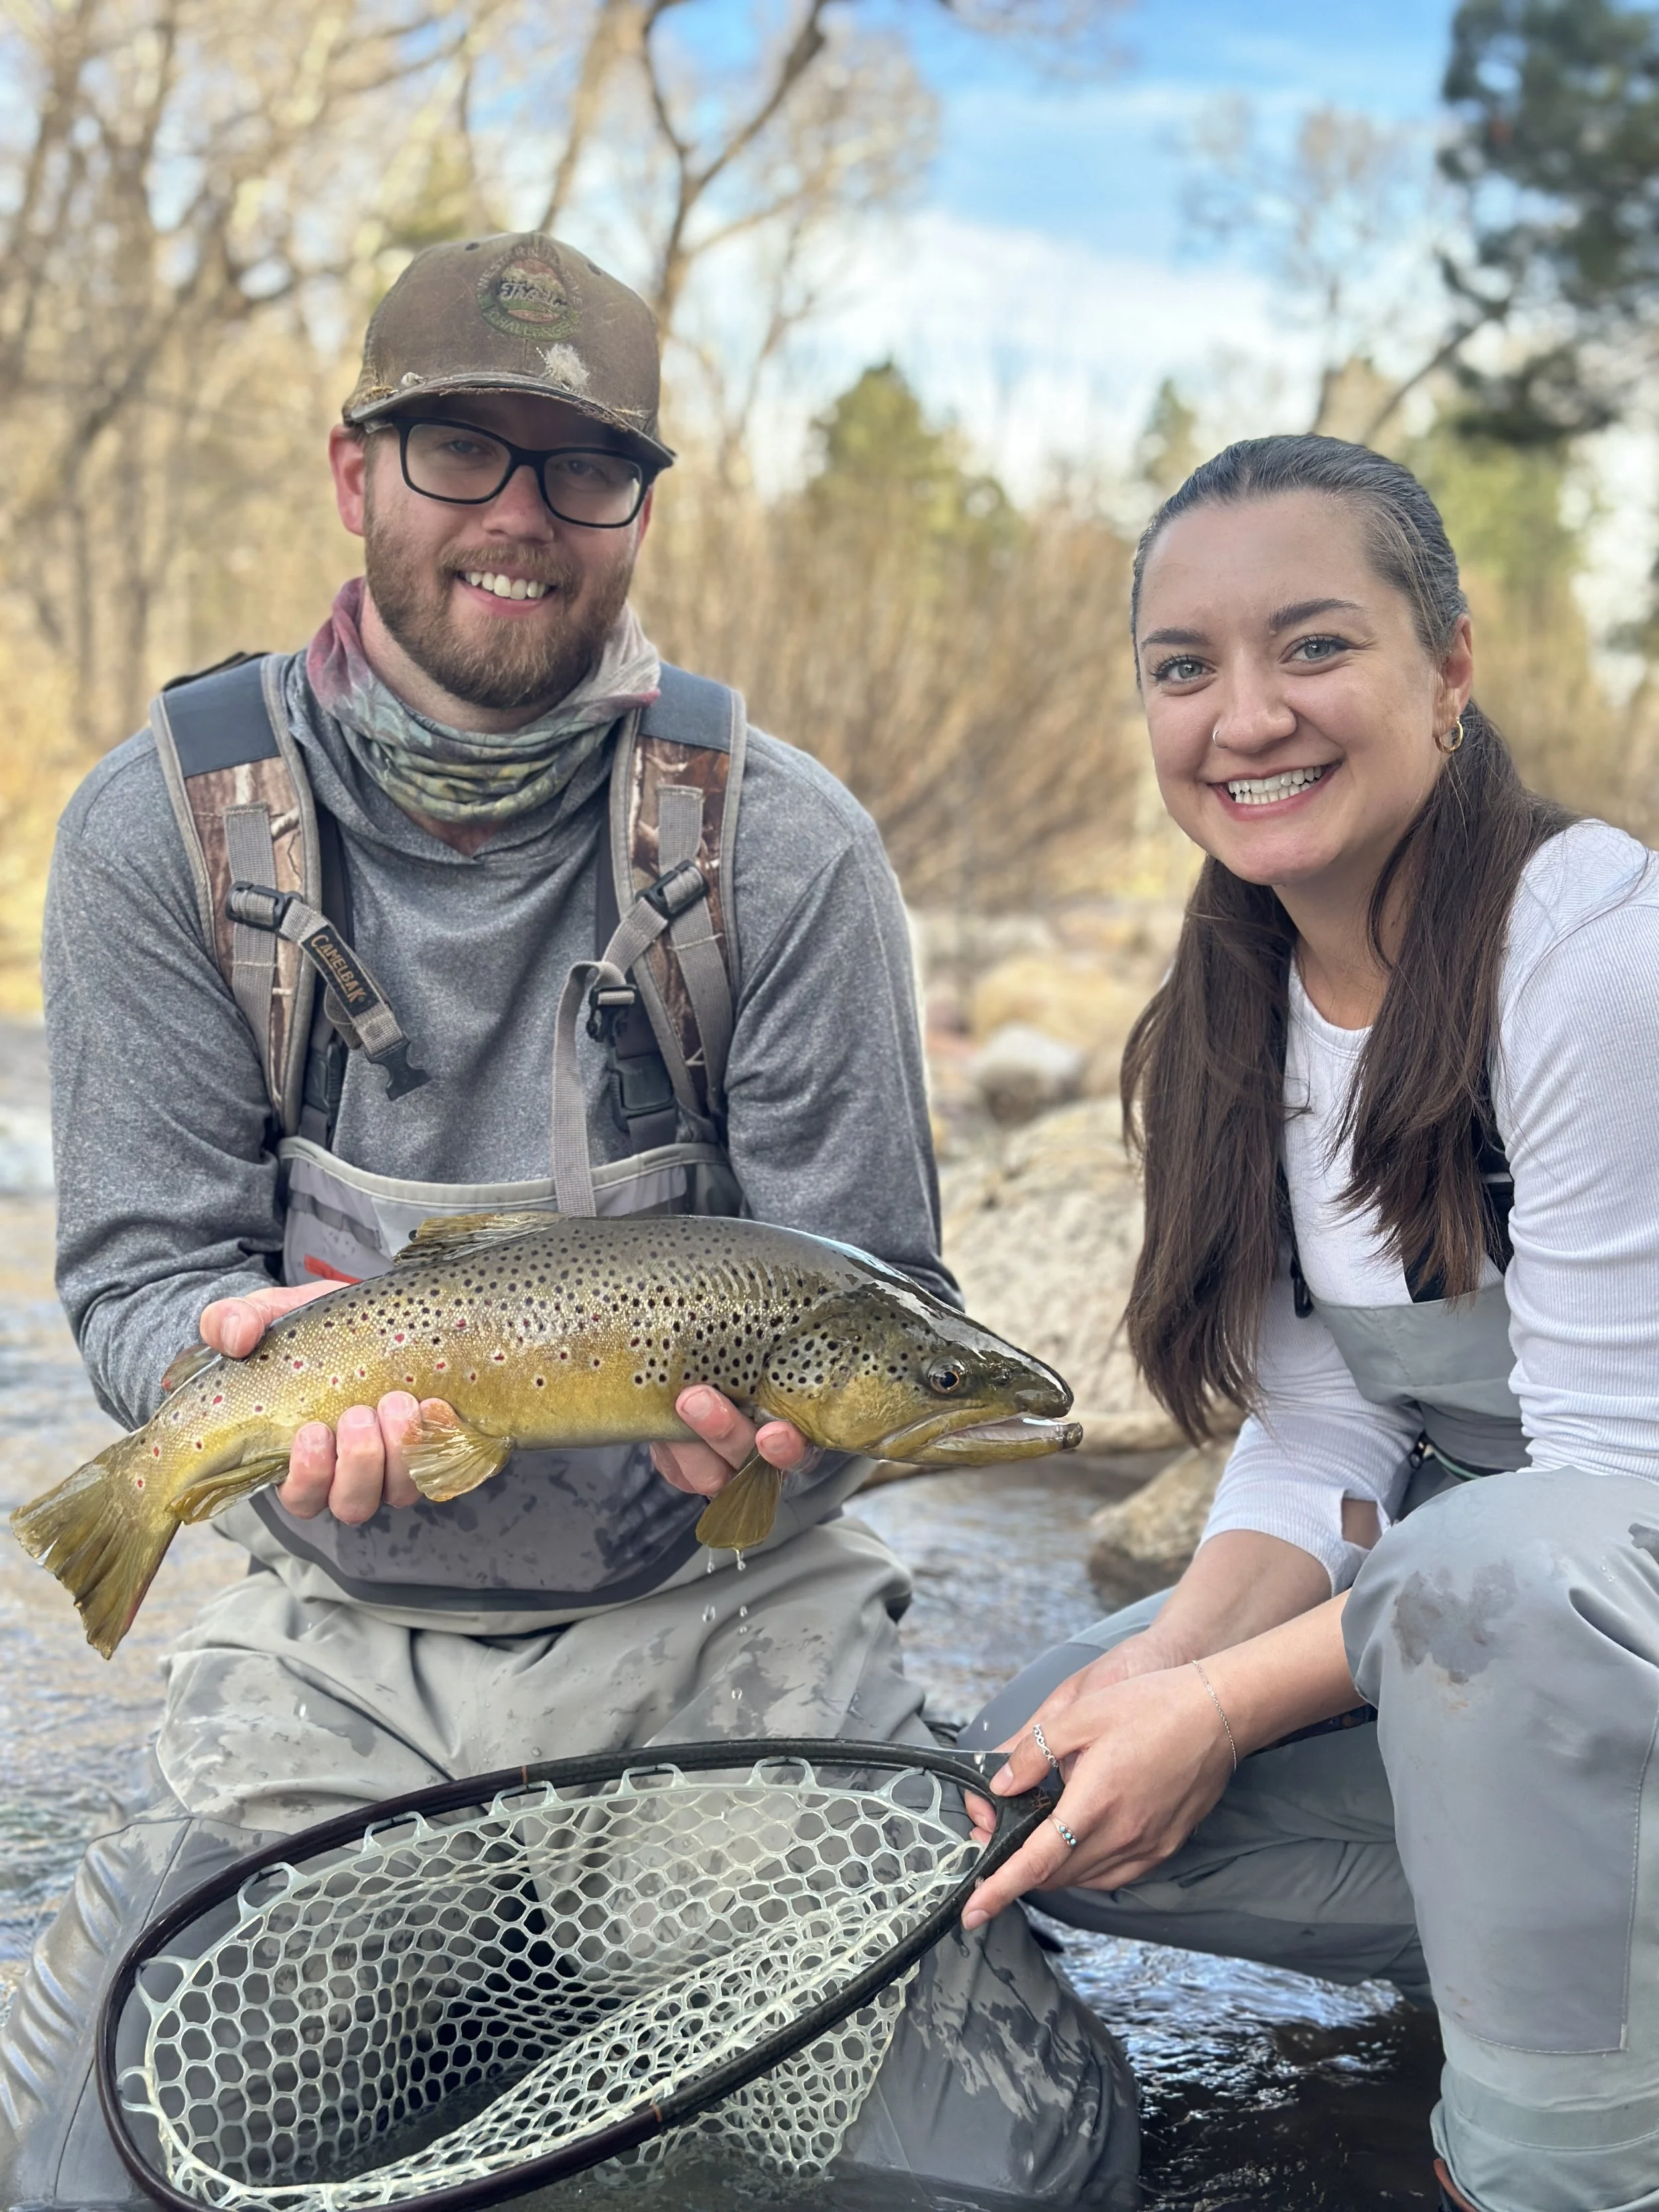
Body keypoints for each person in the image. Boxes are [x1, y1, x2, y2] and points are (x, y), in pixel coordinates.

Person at [0, 233, 1134, 2208]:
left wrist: (789, 1452)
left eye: (583, 466)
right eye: (463, 450)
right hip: (335, 1651)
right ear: (354, 473)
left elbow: (878, 1291)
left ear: (638, 507)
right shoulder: (157, 831)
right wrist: (223, 1375)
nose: (522, 517)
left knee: (970, 2177)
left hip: (726, 1639)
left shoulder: (777, 844)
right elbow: (133, 1278)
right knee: (97, 2172)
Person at [957, 431, 1659, 2212]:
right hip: (1534, 1668)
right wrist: (1161, 1675)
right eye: (1183, 669)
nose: (1244, 715)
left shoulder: (1588, 958)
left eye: (1313, 646)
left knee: (1477, 1570)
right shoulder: (1232, 1011)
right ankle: (1570, 1981)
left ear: (1447, 667)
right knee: (1049, 1748)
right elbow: (1325, 1433)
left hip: (1600, 1606)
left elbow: (1586, 1528)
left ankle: (1550, 2155)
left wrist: (1212, 1707)